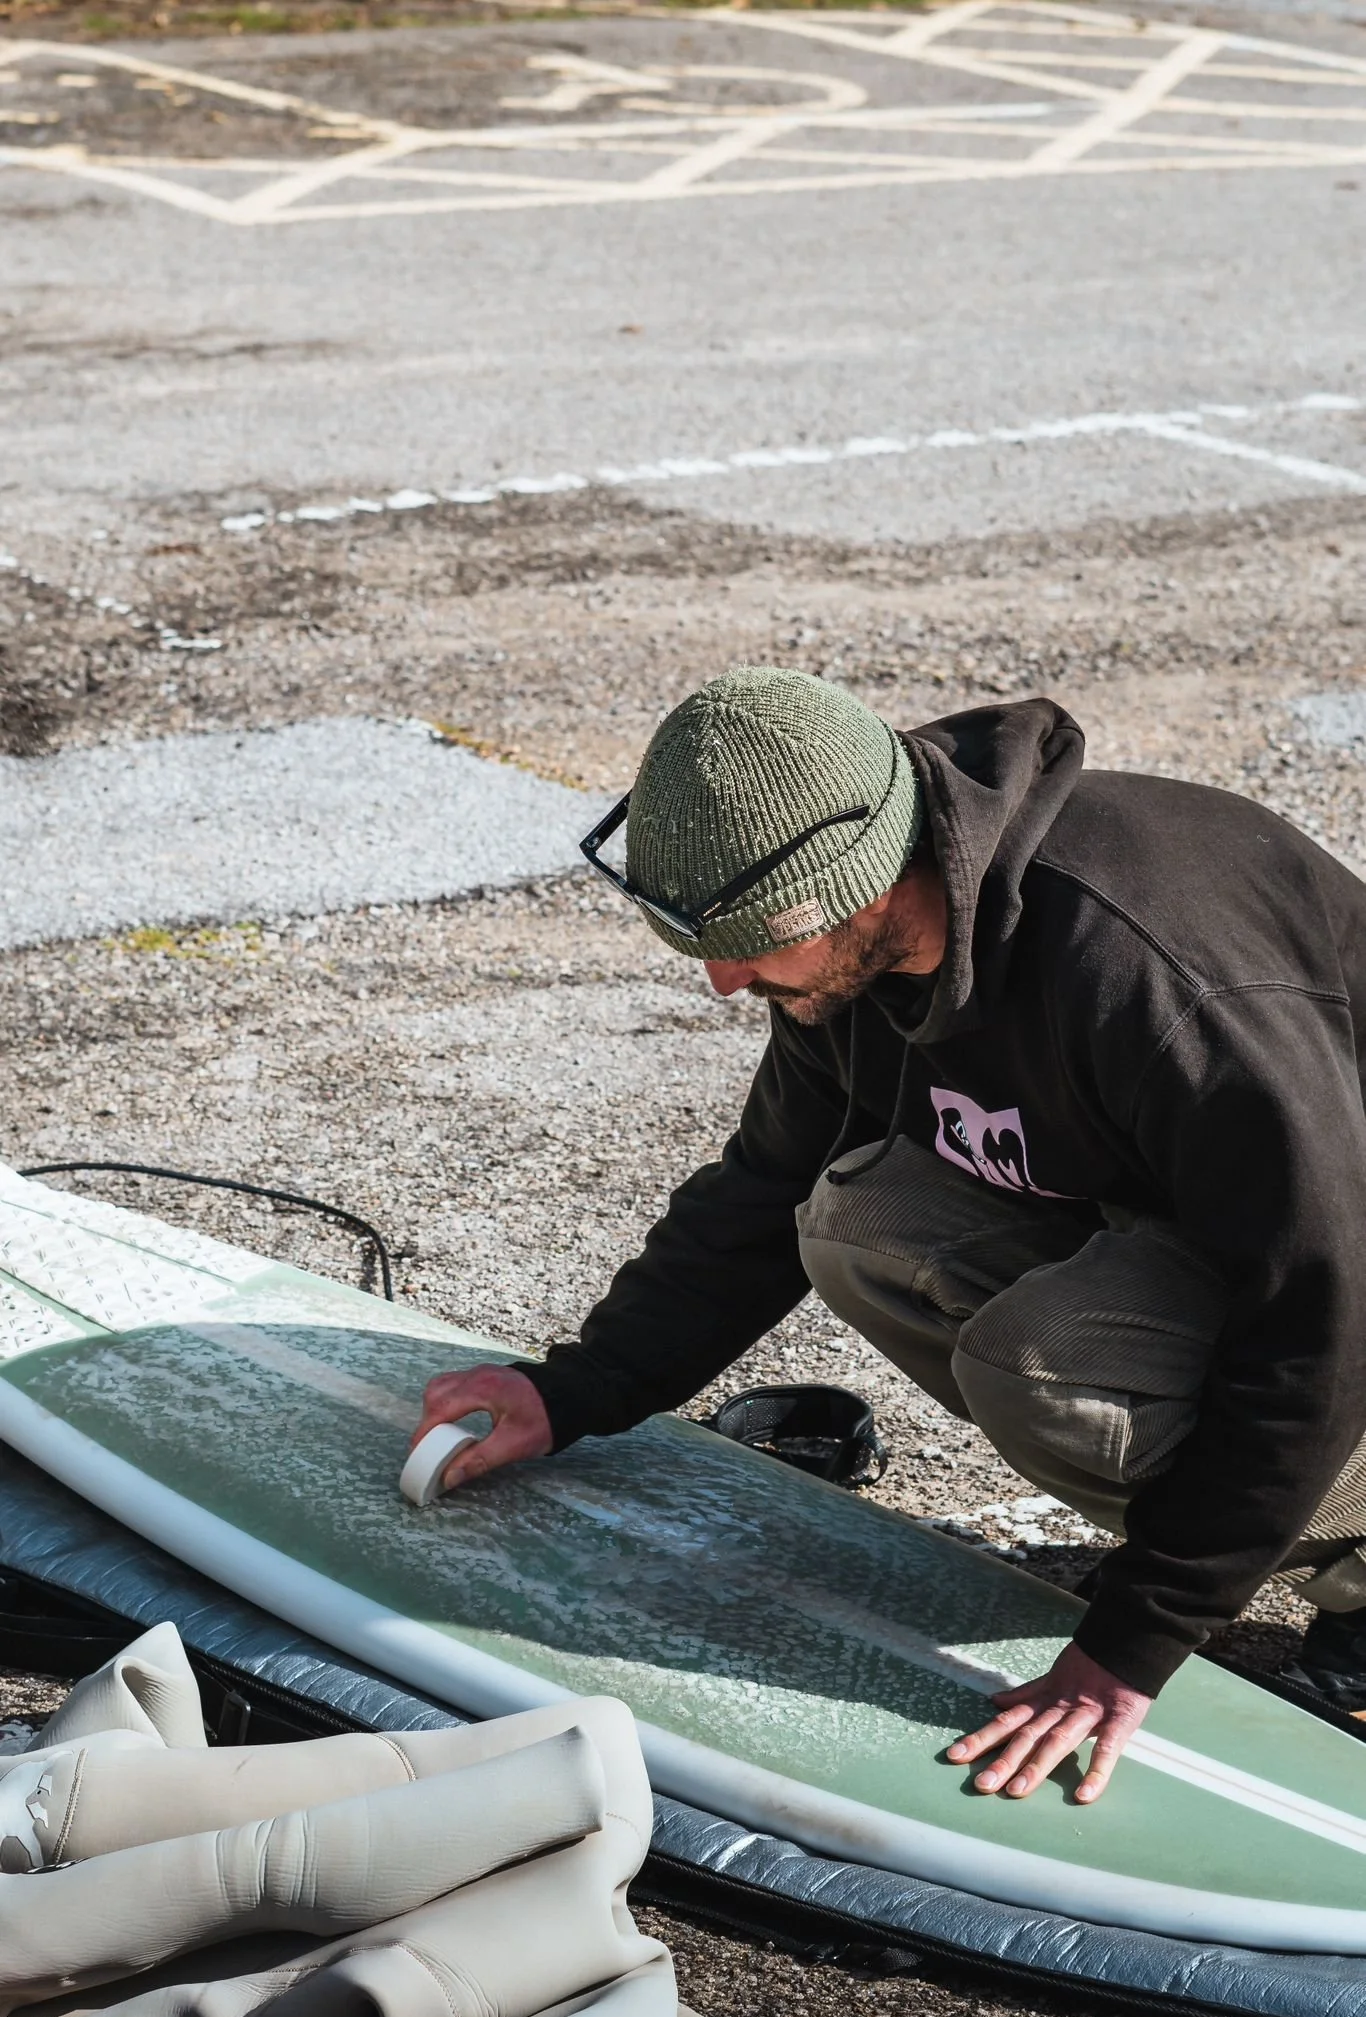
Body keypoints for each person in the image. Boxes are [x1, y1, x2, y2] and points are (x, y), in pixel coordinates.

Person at [413, 666, 1366, 1803]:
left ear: (862, 884)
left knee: (1047, 1359)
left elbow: (1324, 1310)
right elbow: (765, 1186)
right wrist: (573, 1389)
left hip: (1347, 1274)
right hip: (1243, 1233)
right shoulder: (860, 956)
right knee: (857, 1217)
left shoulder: (1157, 984)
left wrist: (1130, 1642)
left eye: (747, 942)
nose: (723, 982)